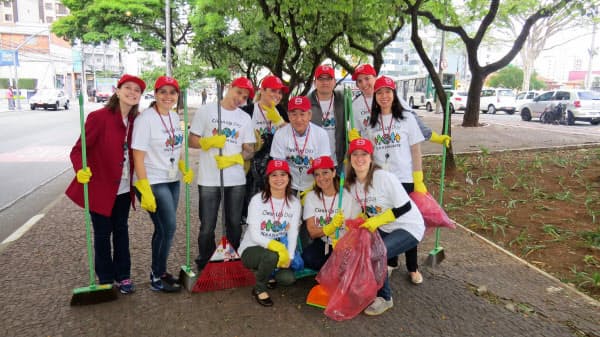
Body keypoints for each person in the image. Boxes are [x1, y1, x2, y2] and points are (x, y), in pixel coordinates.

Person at [65, 74, 146, 294]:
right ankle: (105, 277)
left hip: (123, 189)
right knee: (102, 234)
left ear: (140, 97)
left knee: (121, 231)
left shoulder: (136, 122)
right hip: (100, 188)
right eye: (127, 88)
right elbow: (78, 150)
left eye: (137, 90)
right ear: (117, 91)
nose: (132, 92)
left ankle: (124, 276)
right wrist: (81, 169)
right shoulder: (98, 117)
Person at [345, 138, 425, 316]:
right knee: (363, 249)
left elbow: (405, 207)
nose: (359, 159)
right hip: (386, 227)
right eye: (355, 155)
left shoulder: (384, 177)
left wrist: (377, 221)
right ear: (350, 159)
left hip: (408, 226)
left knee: (377, 253)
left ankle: (385, 298)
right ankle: (371, 282)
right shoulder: (352, 185)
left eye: (364, 154)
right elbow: (363, 210)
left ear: (371, 157)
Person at [361, 76, 428, 284]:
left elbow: (415, 149)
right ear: (376, 97)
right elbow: (367, 154)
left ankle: (412, 266)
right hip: (382, 180)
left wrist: (418, 178)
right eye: (379, 93)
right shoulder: (371, 123)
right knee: (386, 219)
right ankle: (390, 262)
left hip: (404, 178)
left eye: (387, 92)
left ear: (394, 94)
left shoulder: (407, 118)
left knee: (406, 220)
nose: (384, 96)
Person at [131, 75, 193, 293]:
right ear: (155, 94)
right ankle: (157, 275)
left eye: (172, 92)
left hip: (172, 179)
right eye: (163, 92)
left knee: (163, 228)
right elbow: (137, 156)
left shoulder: (174, 117)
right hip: (152, 180)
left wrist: (184, 166)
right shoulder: (145, 119)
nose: (168, 96)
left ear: (177, 96)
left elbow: (176, 147)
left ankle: (160, 270)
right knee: (169, 226)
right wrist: (145, 188)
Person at [188, 77, 256, 273]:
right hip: (209, 178)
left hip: (235, 180)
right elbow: (192, 141)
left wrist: (236, 158)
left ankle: (230, 257)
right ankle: (205, 261)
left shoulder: (244, 118)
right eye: (238, 93)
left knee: (234, 223)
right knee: (207, 225)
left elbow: (249, 149)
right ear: (229, 88)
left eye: (244, 97)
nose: (240, 98)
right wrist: (207, 142)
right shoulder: (206, 111)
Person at [238, 159, 301, 307]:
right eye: (274, 175)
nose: (279, 179)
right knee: (270, 256)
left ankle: (266, 273)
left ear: (289, 178)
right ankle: (259, 288)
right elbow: (254, 234)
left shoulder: (294, 203)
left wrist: (290, 256)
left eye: (283, 174)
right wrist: (276, 246)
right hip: (251, 248)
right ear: (268, 179)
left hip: (278, 250)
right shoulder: (258, 200)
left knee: (287, 279)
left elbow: (292, 232)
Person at [350, 64, 450, 147]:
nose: (363, 84)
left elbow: (412, 118)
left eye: (367, 78)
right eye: (359, 81)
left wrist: (434, 137)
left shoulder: (390, 96)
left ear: (375, 77)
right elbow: (355, 132)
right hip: (371, 154)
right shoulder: (355, 105)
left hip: (394, 148)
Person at [240, 75, 289, 224]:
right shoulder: (248, 110)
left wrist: (280, 122)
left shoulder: (280, 110)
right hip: (251, 170)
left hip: (274, 169)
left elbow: (290, 136)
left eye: (280, 92)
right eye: (273, 91)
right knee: (253, 209)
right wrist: (250, 146)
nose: (277, 95)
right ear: (262, 91)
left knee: (272, 209)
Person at [301, 155, 359, 270]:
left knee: (347, 262)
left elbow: (357, 228)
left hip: (345, 244)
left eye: (325, 172)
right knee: (307, 258)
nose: (321, 178)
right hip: (324, 243)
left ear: (333, 173)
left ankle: (336, 269)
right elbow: (312, 232)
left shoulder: (348, 196)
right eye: (317, 174)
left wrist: (345, 241)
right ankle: (333, 269)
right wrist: (330, 227)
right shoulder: (311, 197)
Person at [270, 95, 330, 195]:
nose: (298, 119)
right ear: (288, 115)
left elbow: (324, 166)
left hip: (313, 184)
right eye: (294, 114)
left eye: (302, 114)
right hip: (288, 184)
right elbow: (278, 166)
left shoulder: (321, 133)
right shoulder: (280, 134)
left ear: (309, 115)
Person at [308, 65, 347, 168]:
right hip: (314, 162)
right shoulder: (306, 103)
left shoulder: (343, 101)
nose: (325, 82)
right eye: (321, 79)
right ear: (314, 82)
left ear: (334, 81)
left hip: (338, 161)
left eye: (329, 78)